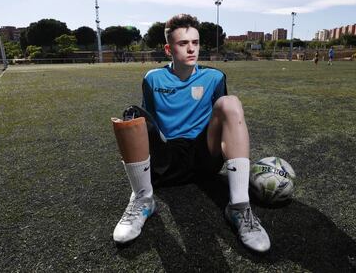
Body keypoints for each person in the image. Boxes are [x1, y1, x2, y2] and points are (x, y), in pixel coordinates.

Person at [110, 14, 271, 253]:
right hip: (166, 161)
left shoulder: (214, 77)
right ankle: (143, 199)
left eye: (195, 42)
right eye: (183, 43)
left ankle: (239, 206)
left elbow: (224, 123)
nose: (191, 49)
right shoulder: (153, 78)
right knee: (133, 114)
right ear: (168, 48)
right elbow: (149, 121)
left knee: (230, 103)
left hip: (203, 156)